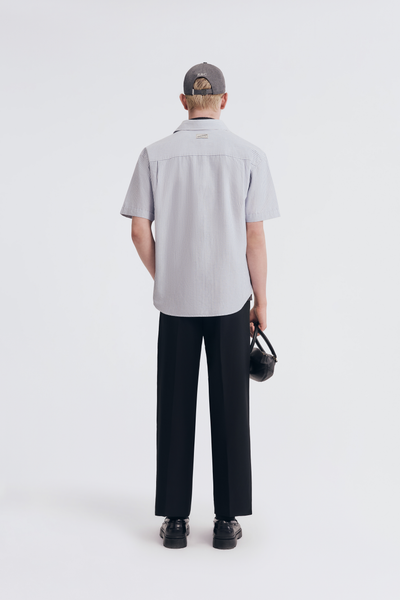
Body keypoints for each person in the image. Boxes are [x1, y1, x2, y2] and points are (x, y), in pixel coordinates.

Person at [120, 62, 280, 550]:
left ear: (183, 101)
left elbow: (139, 231)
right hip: (231, 302)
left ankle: (174, 522)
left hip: (177, 304)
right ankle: (227, 522)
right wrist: (261, 301)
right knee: (231, 408)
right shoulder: (249, 155)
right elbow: (255, 237)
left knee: (174, 406)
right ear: (224, 101)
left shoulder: (154, 154)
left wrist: (166, 276)